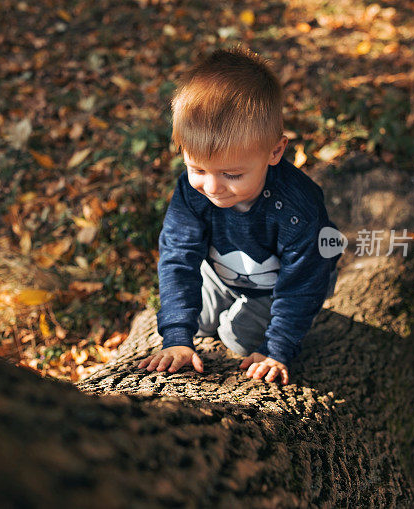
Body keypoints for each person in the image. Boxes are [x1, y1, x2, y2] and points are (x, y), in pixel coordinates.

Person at [137, 47, 340, 384]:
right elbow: (178, 257)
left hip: (285, 284)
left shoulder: (297, 209)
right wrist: (176, 338)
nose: (213, 187)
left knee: (238, 336)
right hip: (222, 274)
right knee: (193, 322)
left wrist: (277, 349)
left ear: (275, 151)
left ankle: (280, 328)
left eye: (232, 174)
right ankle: (214, 312)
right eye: (198, 168)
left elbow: (303, 282)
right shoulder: (193, 192)